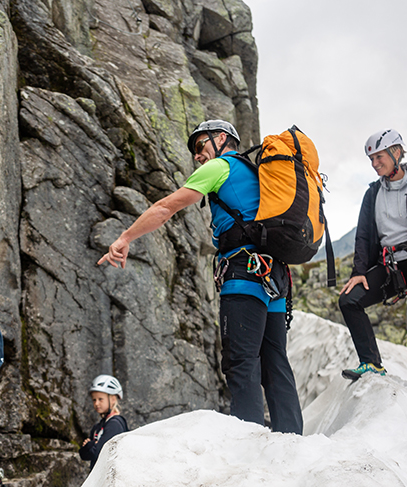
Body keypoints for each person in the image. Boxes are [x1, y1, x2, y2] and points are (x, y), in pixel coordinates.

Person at [98, 119, 303, 434]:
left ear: (221, 138)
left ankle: (248, 445)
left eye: (200, 145)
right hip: (275, 278)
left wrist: (124, 238)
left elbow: (166, 208)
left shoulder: (221, 166)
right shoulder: (255, 174)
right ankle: (292, 441)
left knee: (241, 363)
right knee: (275, 362)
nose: (197, 155)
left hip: (245, 274)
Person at [338, 129, 407, 403]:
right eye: (371, 159)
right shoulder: (373, 192)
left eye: (379, 157)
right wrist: (359, 273)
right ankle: (371, 362)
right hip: (390, 267)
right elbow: (363, 235)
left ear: (397, 152)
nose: (375, 164)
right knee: (349, 300)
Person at [79, 375, 129, 470]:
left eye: (100, 399)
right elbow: (83, 455)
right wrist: (92, 445)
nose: (96, 403)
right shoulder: (98, 427)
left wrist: (90, 445)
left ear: (113, 399)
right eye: (94, 400)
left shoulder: (115, 424)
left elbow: (99, 453)